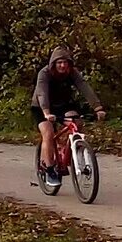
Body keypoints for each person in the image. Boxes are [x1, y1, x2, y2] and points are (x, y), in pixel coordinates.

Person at [31, 46, 104, 182]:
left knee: (76, 123)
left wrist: (97, 107)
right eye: (59, 63)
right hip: (42, 106)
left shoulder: (72, 73)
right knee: (48, 133)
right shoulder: (44, 73)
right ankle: (50, 169)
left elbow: (84, 87)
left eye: (65, 62)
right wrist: (46, 113)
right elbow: (42, 93)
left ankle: (67, 151)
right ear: (53, 64)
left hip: (62, 104)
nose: (63, 65)